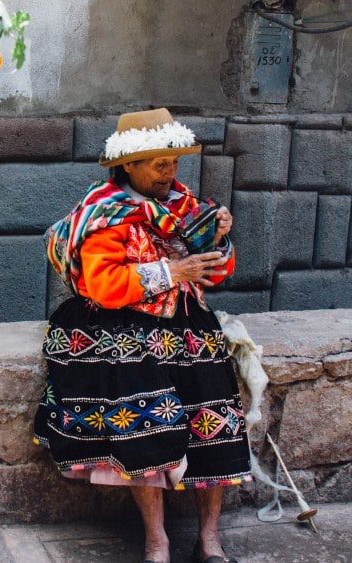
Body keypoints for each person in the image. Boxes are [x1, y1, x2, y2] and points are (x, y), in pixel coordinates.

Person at [35, 108, 251, 563]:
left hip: (190, 327)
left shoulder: (186, 207)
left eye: (173, 162)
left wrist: (219, 241)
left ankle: (210, 540)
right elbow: (103, 286)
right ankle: (158, 540)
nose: (169, 171)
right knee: (145, 426)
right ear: (128, 165)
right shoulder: (104, 215)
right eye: (158, 163)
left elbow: (216, 275)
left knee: (215, 425)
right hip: (125, 329)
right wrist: (171, 270)